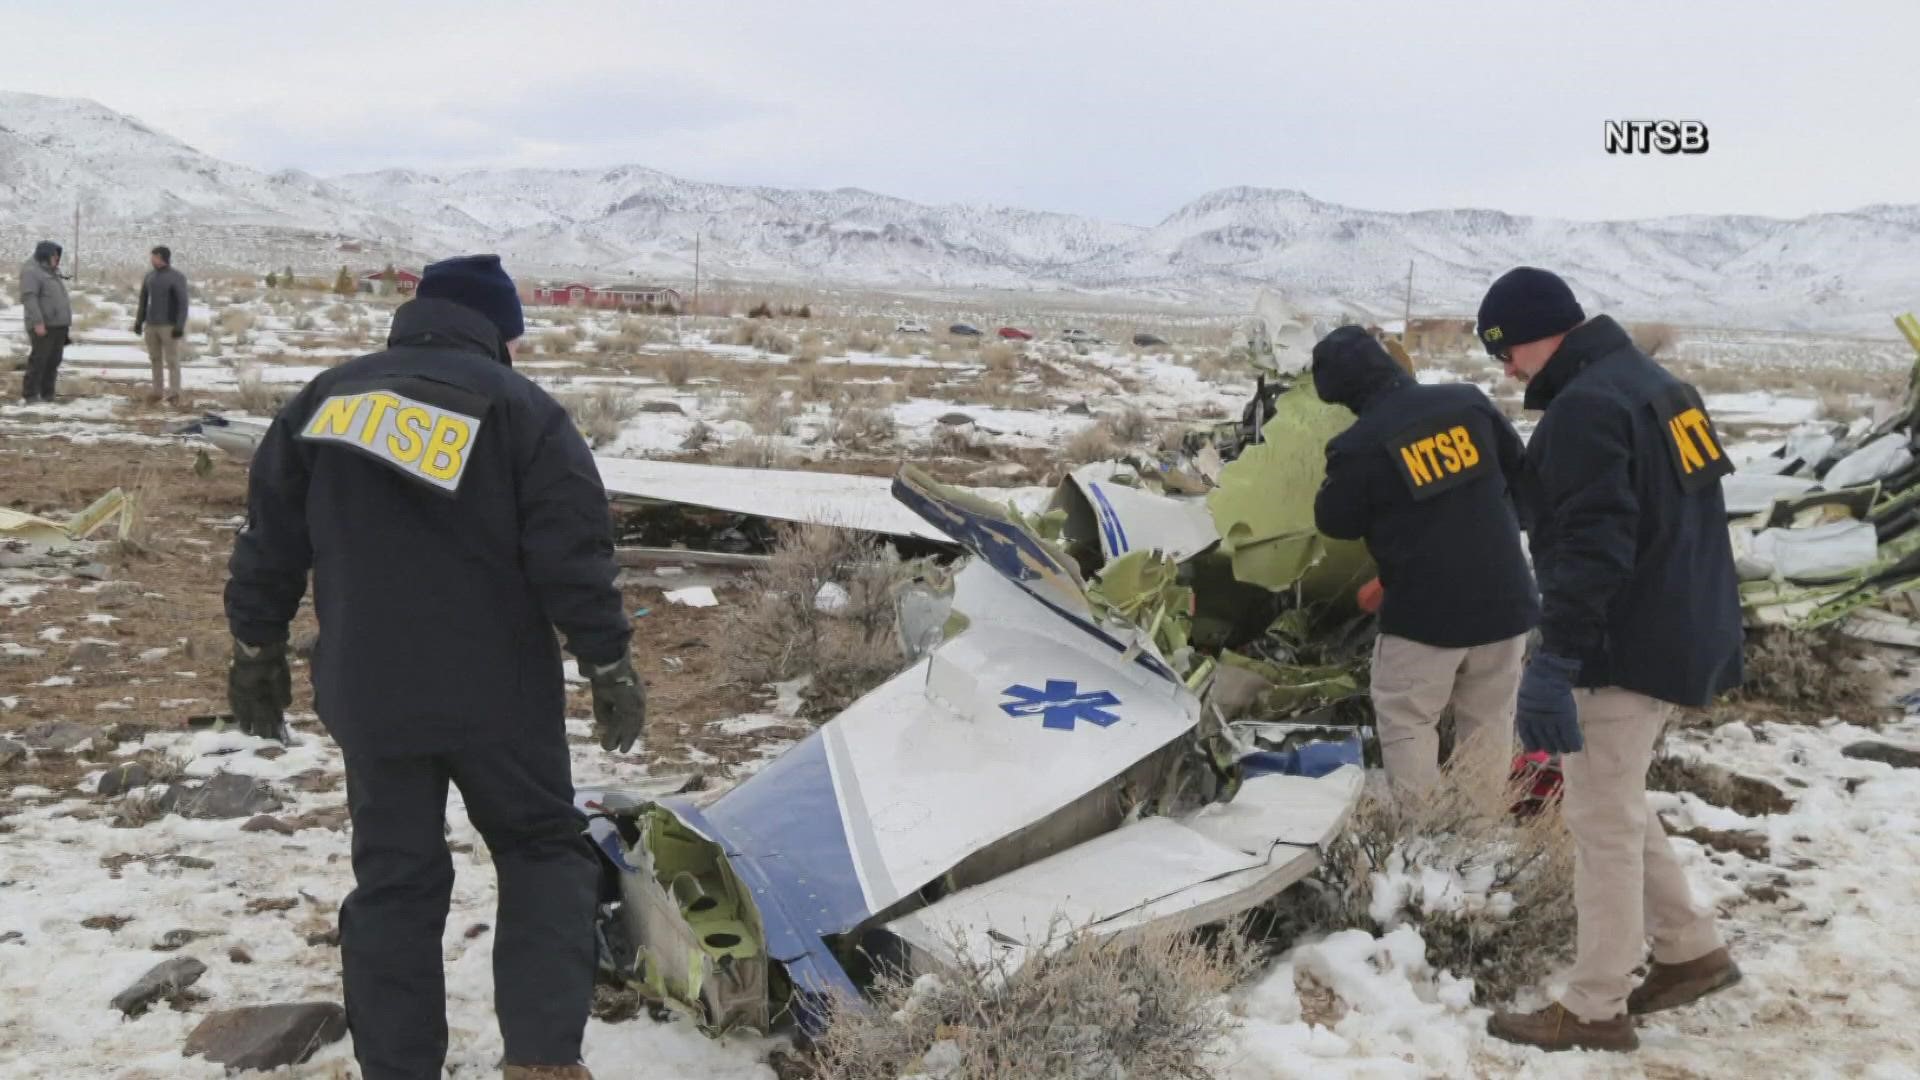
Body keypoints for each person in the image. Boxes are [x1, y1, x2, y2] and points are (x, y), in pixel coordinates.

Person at [223, 254, 647, 1080]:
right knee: (542, 855)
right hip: (501, 697)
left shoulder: (324, 400)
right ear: (494, 329)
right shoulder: (525, 412)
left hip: (370, 693)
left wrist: (256, 648)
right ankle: (541, 1061)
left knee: (393, 881)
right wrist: (608, 662)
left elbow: (268, 544)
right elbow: (573, 557)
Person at [1477, 267, 1743, 1053]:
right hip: (1680, 629)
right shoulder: (1662, 387)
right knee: (1616, 796)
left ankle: (1594, 1007)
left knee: (1599, 824)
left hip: (1621, 646)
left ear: (1535, 332)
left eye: (1505, 351)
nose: (1506, 371)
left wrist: (1556, 660)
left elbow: (1590, 552)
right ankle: (1691, 950)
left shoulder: (1586, 409)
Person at [1311, 325, 1539, 800]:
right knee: (1489, 721)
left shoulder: (1358, 444)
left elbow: (1335, 520)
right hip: (1507, 602)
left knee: (1408, 718)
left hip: (1424, 617)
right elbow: (1522, 479)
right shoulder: (1468, 402)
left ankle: (1425, 840)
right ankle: (1477, 843)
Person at [133, 245, 191, 404]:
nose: (152, 260)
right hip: (151, 325)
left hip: (169, 326)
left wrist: (179, 325)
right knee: (155, 358)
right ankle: (157, 391)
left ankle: (174, 393)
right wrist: (139, 321)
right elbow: (143, 300)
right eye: (151, 257)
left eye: (154, 257)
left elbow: (183, 303)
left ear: (162, 257)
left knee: (172, 360)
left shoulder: (176, 277)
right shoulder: (149, 276)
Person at [18, 240, 72, 404]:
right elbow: (29, 297)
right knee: (39, 360)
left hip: (58, 324)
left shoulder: (51, 271)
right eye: (54, 255)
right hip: (43, 324)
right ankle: (30, 395)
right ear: (45, 255)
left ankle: (47, 394)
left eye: (57, 256)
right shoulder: (32, 271)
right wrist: (38, 322)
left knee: (53, 360)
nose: (57, 259)